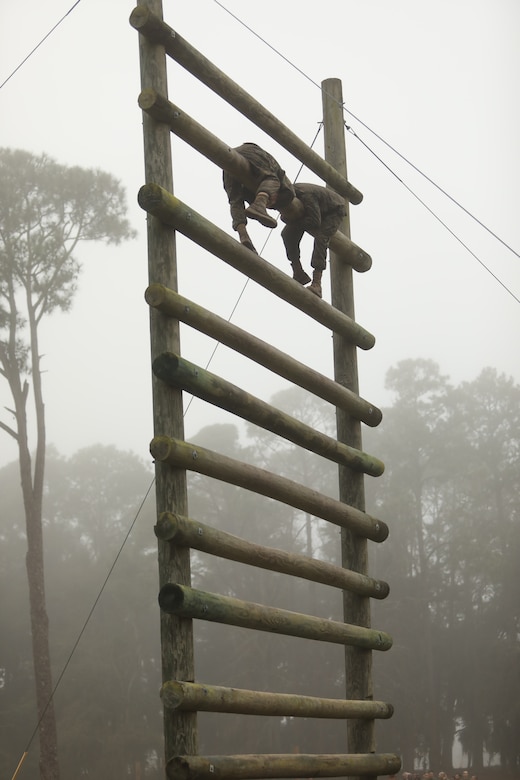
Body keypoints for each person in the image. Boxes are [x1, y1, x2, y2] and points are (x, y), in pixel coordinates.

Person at [223, 142, 295, 253]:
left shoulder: (251, 192)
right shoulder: (287, 190)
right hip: (251, 151)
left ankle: (243, 235)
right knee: (272, 179)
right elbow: (279, 180)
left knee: (235, 200)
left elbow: (236, 201)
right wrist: (264, 198)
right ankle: (259, 205)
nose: (271, 204)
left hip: (229, 159)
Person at [279, 182, 346, 298]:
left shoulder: (306, 195)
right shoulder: (290, 193)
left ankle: (317, 283)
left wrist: (292, 221)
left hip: (334, 210)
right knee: (286, 234)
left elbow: (315, 222)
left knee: (321, 237)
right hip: (314, 209)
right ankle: (298, 271)